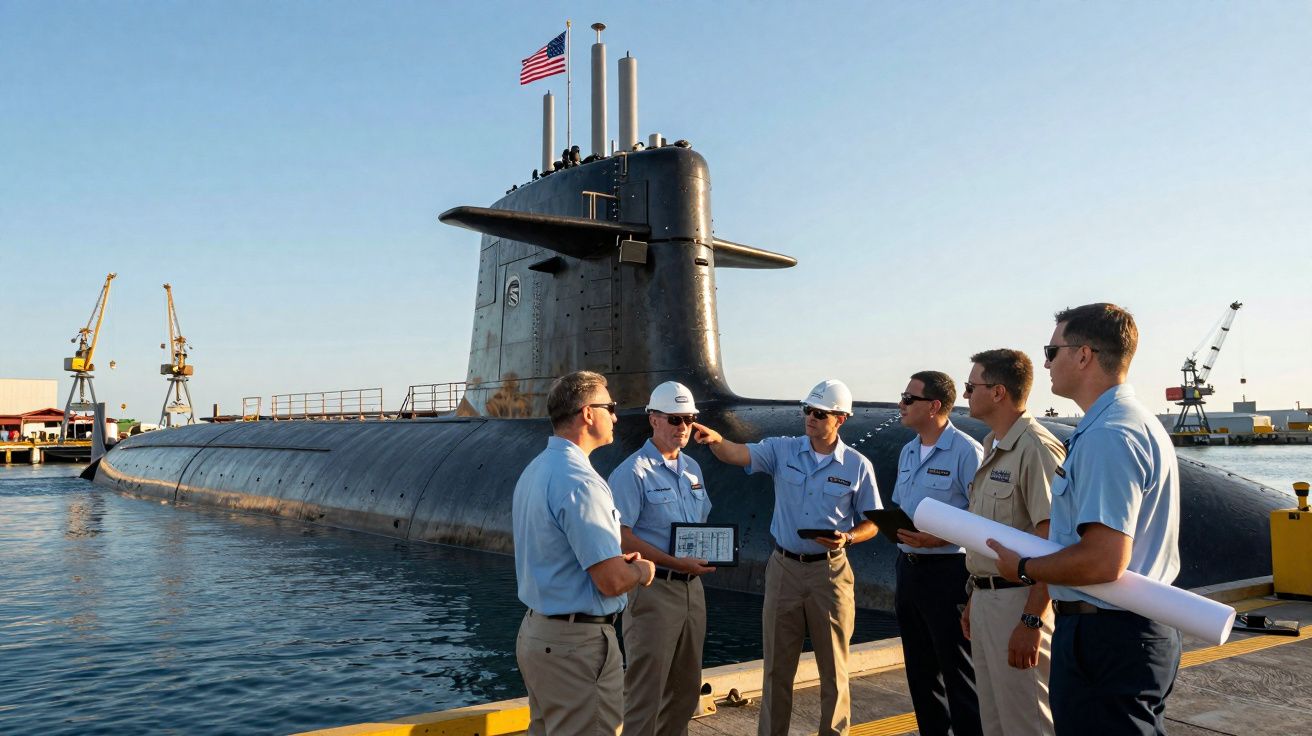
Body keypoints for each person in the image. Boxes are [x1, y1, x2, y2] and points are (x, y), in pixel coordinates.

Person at [988, 303, 1182, 736]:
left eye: (1051, 350)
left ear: (1083, 355)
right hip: (1125, 631)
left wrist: (1022, 567)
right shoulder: (1131, 423)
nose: (1045, 363)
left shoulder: (1109, 435)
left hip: (1108, 637)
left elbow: (1102, 560)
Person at [693, 379, 880, 736]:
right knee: (777, 668)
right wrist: (716, 441)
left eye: (819, 413)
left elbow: (874, 521)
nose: (809, 417)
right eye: (807, 410)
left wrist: (849, 537)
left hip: (830, 572)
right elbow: (738, 454)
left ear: (840, 419)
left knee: (835, 669)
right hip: (784, 569)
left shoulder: (858, 466)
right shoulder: (783, 450)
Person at [512, 370, 657, 736]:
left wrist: (613, 564)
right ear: (588, 413)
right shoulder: (581, 483)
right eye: (611, 407)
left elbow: (561, 554)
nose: (616, 416)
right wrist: (641, 571)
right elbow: (610, 582)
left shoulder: (537, 469)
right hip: (575, 650)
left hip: (538, 635)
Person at [960, 350, 1065, 736]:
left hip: (1020, 604)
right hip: (990, 600)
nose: (966, 394)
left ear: (999, 392)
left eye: (972, 386)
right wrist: (977, 594)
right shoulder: (992, 445)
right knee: (996, 723)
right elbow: (992, 537)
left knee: (1028, 724)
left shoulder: (1035, 448)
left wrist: (1032, 619)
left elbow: (1054, 542)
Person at [609, 381, 716, 736]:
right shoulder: (632, 472)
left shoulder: (692, 470)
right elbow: (622, 536)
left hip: (692, 590)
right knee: (645, 694)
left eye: (689, 419)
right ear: (653, 419)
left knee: (687, 691)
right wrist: (675, 563)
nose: (683, 427)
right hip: (653, 590)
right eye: (674, 419)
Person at [891, 370, 984, 736]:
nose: (900, 405)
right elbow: (903, 504)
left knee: (960, 676)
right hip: (909, 571)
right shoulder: (908, 451)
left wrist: (939, 538)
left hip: (948, 573)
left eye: (907, 399)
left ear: (933, 407)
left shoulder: (966, 452)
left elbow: (982, 516)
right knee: (920, 673)